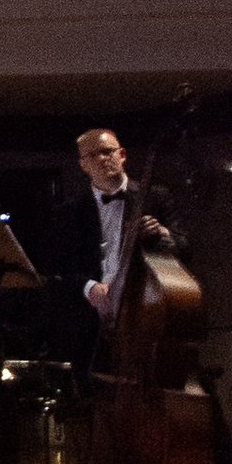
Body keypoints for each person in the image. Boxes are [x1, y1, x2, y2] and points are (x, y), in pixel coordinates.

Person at [53, 125, 181, 362]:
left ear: (121, 155)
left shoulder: (155, 197)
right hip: (92, 321)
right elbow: (59, 268)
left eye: (107, 151)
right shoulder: (70, 211)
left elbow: (185, 249)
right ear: (83, 165)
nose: (102, 159)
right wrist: (90, 287)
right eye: (92, 155)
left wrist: (162, 232)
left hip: (143, 310)